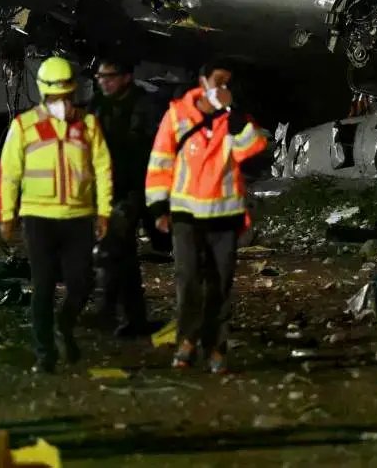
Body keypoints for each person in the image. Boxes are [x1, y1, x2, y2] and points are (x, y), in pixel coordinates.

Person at [145, 64, 267, 374]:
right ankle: (187, 340)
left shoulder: (233, 120)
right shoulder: (178, 115)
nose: (223, 85)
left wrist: (234, 113)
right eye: (218, 81)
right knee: (188, 281)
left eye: (228, 81)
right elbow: (160, 160)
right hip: (186, 215)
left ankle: (215, 348)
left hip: (224, 215)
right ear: (202, 82)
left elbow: (252, 148)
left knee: (219, 285)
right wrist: (159, 208)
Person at [0, 57, 113, 374]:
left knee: (82, 283)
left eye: (66, 95)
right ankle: (44, 354)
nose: (62, 102)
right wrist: (7, 215)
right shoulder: (23, 126)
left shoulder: (88, 125)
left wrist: (103, 211)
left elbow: (103, 170)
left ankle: (65, 325)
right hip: (39, 218)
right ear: (44, 93)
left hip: (78, 216)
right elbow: (10, 173)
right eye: (55, 95)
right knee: (43, 287)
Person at [90, 58, 161, 337]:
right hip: (105, 187)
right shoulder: (98, 104)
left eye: (109, 76)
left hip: (132, 188)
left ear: (126, 77)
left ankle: (108, 313)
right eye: (100, 77)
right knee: (122, 254)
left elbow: (144, 148)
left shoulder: (144, 105)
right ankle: (133, 318)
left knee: (113, 249)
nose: (103, 81)